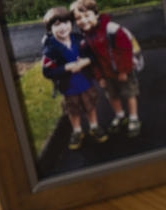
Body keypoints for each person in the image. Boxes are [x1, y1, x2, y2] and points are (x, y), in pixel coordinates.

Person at [70, 0, 141, 137]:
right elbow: (93, 60)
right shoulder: (86, 36)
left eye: (86, 15)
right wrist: (99, 77)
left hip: (123, 71)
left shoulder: (111, 29)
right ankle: (120, 116)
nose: (83, 20)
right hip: (106, 74)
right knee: (112, 96)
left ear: (96, 14)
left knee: (129, 94)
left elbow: (125, 50)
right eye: (78, 18)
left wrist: (123, 71)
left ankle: (133, 118)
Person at [40, 7, 107, 151]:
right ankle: (77, 131)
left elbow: (94, 55)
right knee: (73, 110)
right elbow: (47, 71)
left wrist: (86, 61)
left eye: (66, 23)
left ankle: (94, 126)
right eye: (57, 25)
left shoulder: (80, 39)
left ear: (71, 24)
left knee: (90, 105)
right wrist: (66, 68)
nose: (63, 28)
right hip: (68, 88)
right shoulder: (50, 50)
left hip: (86, 82)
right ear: (50, 29)